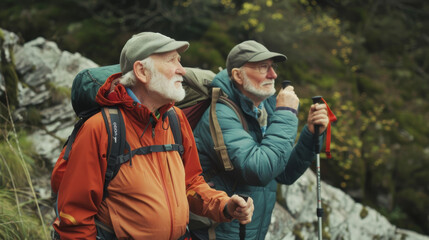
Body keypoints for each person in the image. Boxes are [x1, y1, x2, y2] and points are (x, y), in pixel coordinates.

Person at [51, 32, 254, 240]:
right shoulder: (101, 128)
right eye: (171, 60)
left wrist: (224, 205)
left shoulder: (175, 119)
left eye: (180, 61)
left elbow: (191, 183)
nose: (182, 70)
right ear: (141, 71)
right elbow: (75, 219)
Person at [192, 40, 329, 239]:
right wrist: (287, 112)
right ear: (238, 75)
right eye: (263, 67)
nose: (273, 74)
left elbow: (284, 173)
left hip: (251, 232)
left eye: (272, 67)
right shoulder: (221, 115)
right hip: (220, 233)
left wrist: (310, 134)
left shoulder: (265, 109)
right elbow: (259, 170)